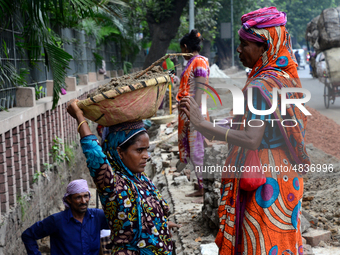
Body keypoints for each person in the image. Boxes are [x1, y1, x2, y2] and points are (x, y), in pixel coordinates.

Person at [179, 7, 310, 255]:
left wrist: (202, 125)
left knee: (261, 242)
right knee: (281, 243)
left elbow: (252, 138)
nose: (239, 49)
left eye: (244, 44)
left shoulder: (262, 84)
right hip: (286, 174)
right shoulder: (282, 76)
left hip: (264, 180)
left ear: (264, 47)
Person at [66, 99, 180, 254]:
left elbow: (144, 214)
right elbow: (94, 153)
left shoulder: (141, 179)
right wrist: (80, 116)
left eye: (147, 149)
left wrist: (160, 224)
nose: (147, 156)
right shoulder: (112, 185)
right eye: (139, 150)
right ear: (119, 152)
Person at [21, 179, 109, 255]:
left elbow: (120, 225)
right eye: (78, 197)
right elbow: (28, 235)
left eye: (86, 196)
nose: (83, 201)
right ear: (69, 199)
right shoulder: (57, 221)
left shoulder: (97, 216)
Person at [176, 29, 210, 200]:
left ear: (184, 47)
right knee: (191, 148)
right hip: (189, 111)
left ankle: (203, 188)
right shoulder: (192, 63)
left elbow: (200, 88)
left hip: (194, 112)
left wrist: (193, 112)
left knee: (197, 150)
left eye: (182, 50)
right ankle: (199, 185)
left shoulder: (199, 62)